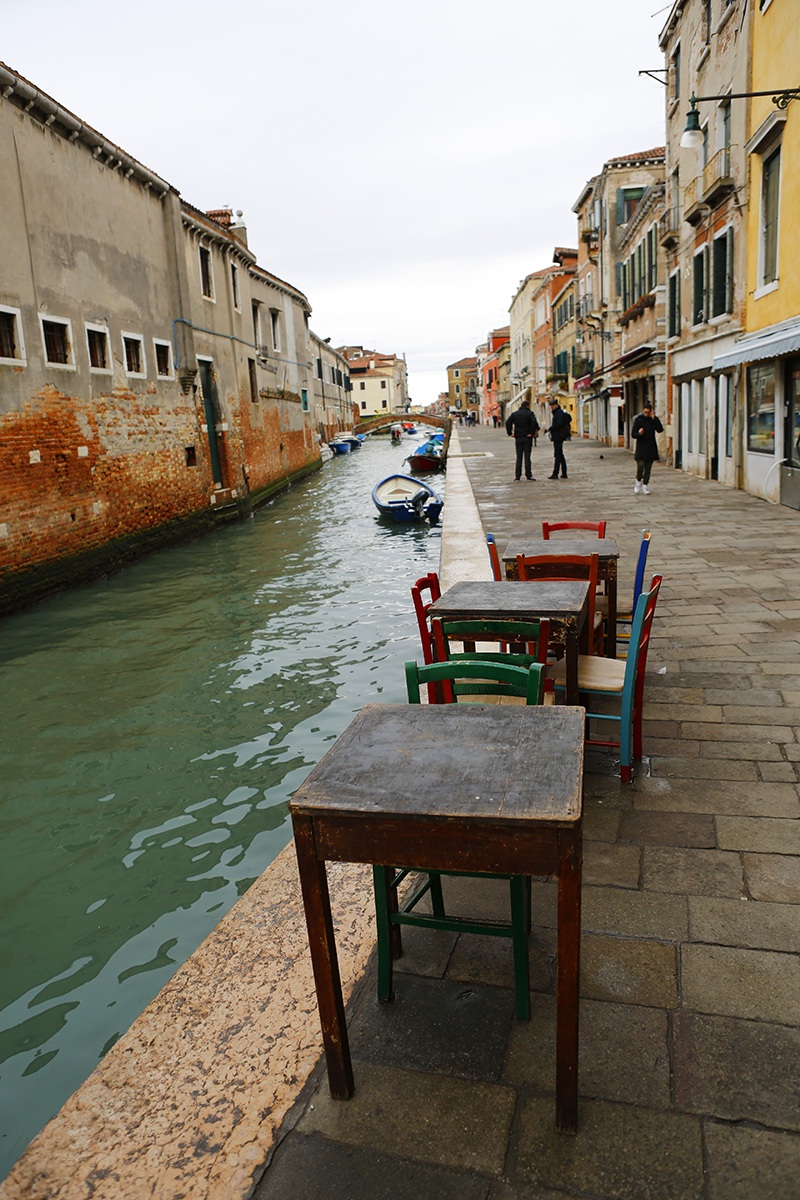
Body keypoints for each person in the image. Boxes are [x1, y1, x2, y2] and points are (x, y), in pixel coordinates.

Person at [631, 401, 664, 494]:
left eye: (648, 413)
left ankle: (645, 485)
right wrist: (639, 433)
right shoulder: (638, 420)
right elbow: (633, 434)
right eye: (645, 412)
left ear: (651, 412)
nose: (646, 414)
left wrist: (654, 419)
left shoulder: (653, 419)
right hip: (641, 447)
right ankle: (638, 482)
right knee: (641, 465)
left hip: (651, 446)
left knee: (648, 468)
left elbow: (660, 429)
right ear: (642, 411)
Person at [505, 398, 539, 481]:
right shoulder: (529, 413)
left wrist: (510, 433)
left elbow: (507, 422)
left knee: (519, 457)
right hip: (527, 437)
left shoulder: (515, 414)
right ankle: (528, 475)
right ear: (527, 405)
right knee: (527, 457)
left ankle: (517, 476)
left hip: (518, 437)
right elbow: (534, 423)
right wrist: (531, 432)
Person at [546, 398, 571, 479]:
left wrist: (551, 428)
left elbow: (559, 424)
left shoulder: (558, 413)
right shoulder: (557, 412)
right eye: (551, 405)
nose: (551, 407)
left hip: (559, 436)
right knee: (559, 454)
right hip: (558, 435)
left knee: (557, 454)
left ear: (556, 405)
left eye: (552, 405)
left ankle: (555, 473)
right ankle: (564, 472)